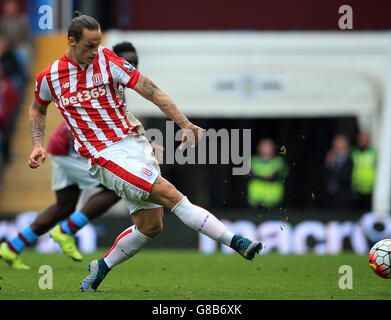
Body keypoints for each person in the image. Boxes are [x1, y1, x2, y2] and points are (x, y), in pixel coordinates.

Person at [28, 11, 262, 292]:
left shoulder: (108, 61)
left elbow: (151, 90)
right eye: (89, 45)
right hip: (105, 156)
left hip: (135, 144)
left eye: (98, 43)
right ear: (71, 41)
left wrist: (184, 123)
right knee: (170, 194)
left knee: (151, 226)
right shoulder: (50, 77)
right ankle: (236, 242)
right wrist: (38, 143)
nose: (95, 50)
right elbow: (37, 108)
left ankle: (101, 266)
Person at [0, 41, 155, 269]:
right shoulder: (102, 81)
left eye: (135, 63)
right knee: (114, 188)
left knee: (63, 207)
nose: (130, 67)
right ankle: (66, 230)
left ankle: (11, 247)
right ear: (115, 61)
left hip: (62, 148)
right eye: (127, 62)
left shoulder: (116, 88)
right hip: (69, 149)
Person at [247, 138, 289, 208]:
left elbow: (282, 174)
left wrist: (261, 174)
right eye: (264, 146)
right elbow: (249, 174)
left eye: (268, 146)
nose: (266, 148)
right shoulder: (253, 161)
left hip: (274, 200)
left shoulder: (278, 161)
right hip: (255, 200)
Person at [324, 134, 354, 209]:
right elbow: (325, 176)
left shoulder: (350, 159)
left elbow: (346, 177)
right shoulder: (330, 158)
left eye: (340, 143)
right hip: (330, 197)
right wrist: (329, 164)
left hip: (344, 196)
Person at [350, 131, 377, 211]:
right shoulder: (353, 152)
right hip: (355, 188)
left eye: (365, 138)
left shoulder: (374, 153)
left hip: (370, 189)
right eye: (361, 138)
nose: (363, 141)